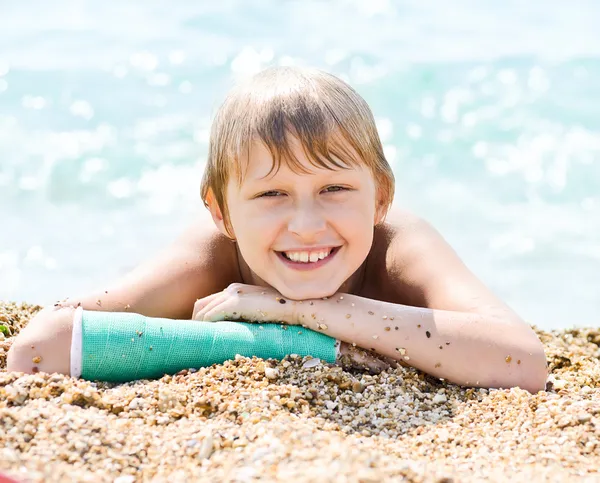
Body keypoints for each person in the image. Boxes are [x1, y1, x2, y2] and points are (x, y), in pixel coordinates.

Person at [7, 66, 547, 392]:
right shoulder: (212, 255)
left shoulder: (399, 245)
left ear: (380, 196)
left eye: (335, 189)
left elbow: (521, 361)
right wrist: (268, 342)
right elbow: (41, 346)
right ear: (221, 212)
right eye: (271, 194)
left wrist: (309, 311)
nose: (307, 226)